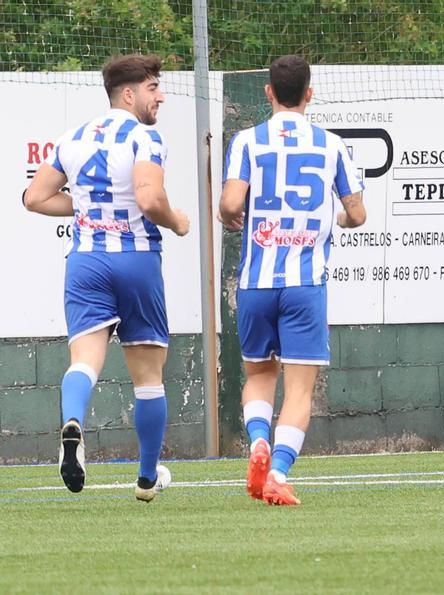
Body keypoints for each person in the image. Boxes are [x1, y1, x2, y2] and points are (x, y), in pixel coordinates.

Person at [23, 54, 188, 501]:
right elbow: (150, 198)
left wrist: (88, 207)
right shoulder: (145, 138)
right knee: (149, 377)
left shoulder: (73, 137)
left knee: (84, 361)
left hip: (86, 262)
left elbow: (34, 198)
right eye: (154, 87)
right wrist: (177, 222)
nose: (161, 96)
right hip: (135, 260)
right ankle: (148, 479)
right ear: (129, 94)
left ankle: (73, 424)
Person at [219, 55, 366, 505]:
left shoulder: (247, 140)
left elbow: (229, 203)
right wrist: (338, 218)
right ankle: (278, 471)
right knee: (300, 388)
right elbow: (357, 214)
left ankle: (258, 439)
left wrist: (233, 218)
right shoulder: (331, 145)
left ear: (268, 92)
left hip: (256, 282)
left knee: (260, 374)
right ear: (309, 93)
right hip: (306, 283)